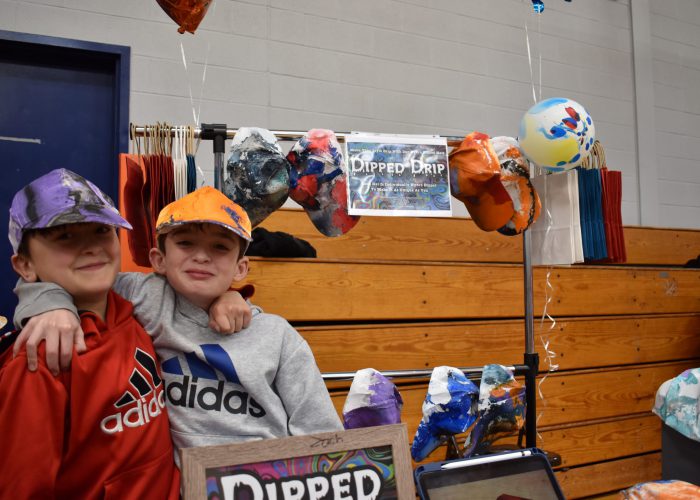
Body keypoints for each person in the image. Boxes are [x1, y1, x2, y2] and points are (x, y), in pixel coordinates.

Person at [14, 184, 343, 454]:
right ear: (158, 259)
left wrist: (234, 295)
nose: (201, 256)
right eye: (185, 243)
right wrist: (51, 303)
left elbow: (319, 430)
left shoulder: (278, 336)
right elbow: (70, 278)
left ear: (241, 268)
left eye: (220, 247)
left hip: (270, 483)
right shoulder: (143, 296)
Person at [0, 168, 181, 499]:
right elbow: (23, 487)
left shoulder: (138, 308)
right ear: (25, 266)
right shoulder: (40, 357)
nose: (91, 247)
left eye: (101, 230)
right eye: (65, 237)